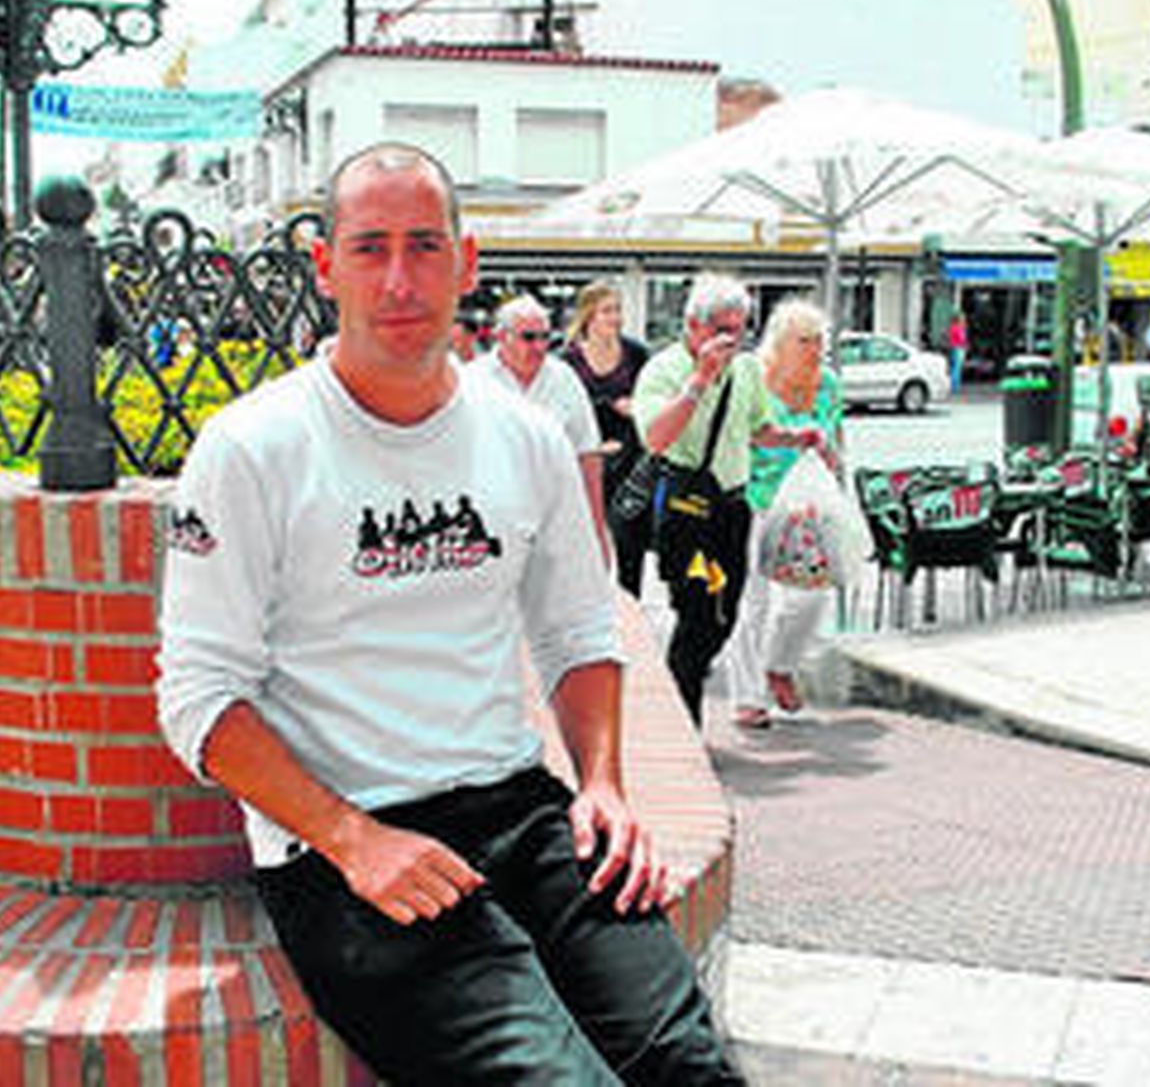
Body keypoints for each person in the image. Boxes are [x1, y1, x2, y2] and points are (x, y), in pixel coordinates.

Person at [156, 142, 743, 1085]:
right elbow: (197, 701)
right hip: (345, 845)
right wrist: (354, 839)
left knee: (688, 1063)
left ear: (467, 265)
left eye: (426, 246)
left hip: (520, 807)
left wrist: (602, 782)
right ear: (325, 265)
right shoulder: (251, 448)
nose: (399, 278)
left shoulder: (527, 438)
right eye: (370, 247)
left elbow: (578, 633)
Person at [632, 273, 798, 727]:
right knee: (695, 610)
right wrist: (699, 381)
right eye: (723, 329)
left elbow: (759, 429)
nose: (732, 340)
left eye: (740, 330)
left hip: (731, 507)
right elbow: (656, 438)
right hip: (685, 508)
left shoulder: (745, 369)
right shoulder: (663, 370)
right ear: (693, 326)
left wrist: (798, 438)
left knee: (724, 615)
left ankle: (680, 688)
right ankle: (684, 721)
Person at [722, 298, 841, 730]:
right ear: (781, 341)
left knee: (811, 596)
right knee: (752, 601)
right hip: (753, 497)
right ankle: (747, 697)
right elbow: (739, 434)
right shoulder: (753, 375)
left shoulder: (827, 383)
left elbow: (836, 434)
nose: (814, 348)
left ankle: (780, 664)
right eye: (804, 340)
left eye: (819, 340)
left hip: (807, 505)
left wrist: (834, 463)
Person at [476, 293, 610, 564]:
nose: (538, 347)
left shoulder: (565, 379)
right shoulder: (473, 381)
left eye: (545, 337)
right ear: (501, 337)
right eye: (528, 337)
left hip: (554, 520)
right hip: (491, 522)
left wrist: (597, 532)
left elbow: (587, 456)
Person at [564, 280, 652, 596]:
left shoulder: (637, 353)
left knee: (631, 545)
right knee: (585, 545)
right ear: (589, 315)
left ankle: (632, 612)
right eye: (607, 311)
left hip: (629, 459)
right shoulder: (568, 360)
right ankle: (588, 611)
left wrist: (637, 407)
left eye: (617, 310)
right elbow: (563, 410)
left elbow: (654, 400)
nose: (615, 318)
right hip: (585, 460)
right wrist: (608, 407)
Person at [946, 312, 969, 394]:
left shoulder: (952, 327)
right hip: (958, 348)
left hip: (954, 348)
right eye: (962, 318)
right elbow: (962, 339)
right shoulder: (958, 328)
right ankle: (955, 387)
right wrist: (965, 346)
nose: (964, 319)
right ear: (958, 319)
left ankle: (954, 386)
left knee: (954, 367)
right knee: (957, 368)